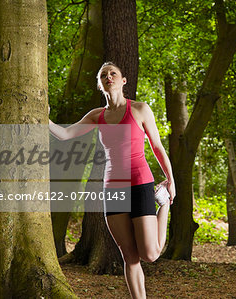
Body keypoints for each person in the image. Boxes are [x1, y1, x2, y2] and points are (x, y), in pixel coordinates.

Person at [49, 62, 175, 299]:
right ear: (100, 84)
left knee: (150, 254)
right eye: (103, 75)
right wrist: (42, 117)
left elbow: (157, 147)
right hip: (112, 188)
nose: (108, 76)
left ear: (123, 80)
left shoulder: (140, 109)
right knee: (129, 256)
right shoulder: (97, 116)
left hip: (140, 183)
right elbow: (65, 134)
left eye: (113, 73)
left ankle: (164, 204)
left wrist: (171, 179)